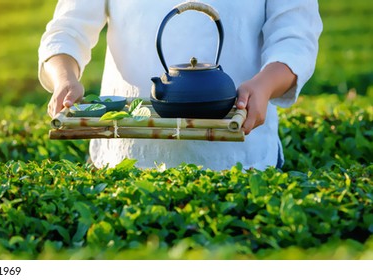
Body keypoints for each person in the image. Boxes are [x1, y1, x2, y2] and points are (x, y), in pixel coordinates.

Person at [39, 0, 322, 170]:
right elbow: (68, 27)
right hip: (124, 159)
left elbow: (295, 37)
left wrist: (265, 84)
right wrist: (64, 77)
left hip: (241, 161)